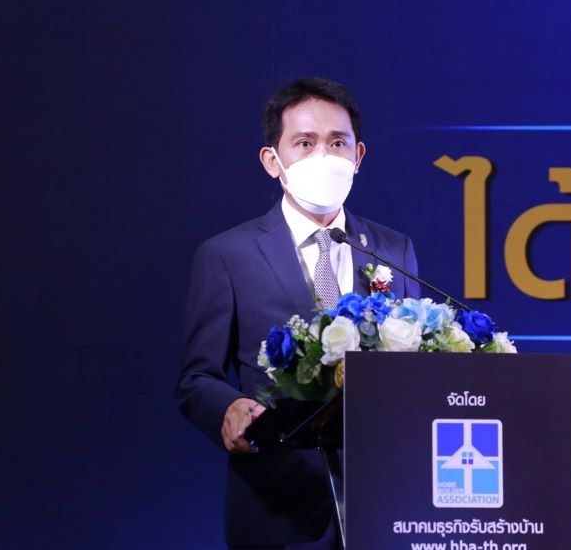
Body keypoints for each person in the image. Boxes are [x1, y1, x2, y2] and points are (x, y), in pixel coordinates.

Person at [176, 77, 421, 549]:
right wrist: (227, 408)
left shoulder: (393, 250)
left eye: (337, 143)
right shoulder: (227, 255)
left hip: (383, 502)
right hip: (278, 503)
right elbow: (196, 377)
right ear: (273, 160)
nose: (323, 157)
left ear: (358, 156)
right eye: (305, 143)